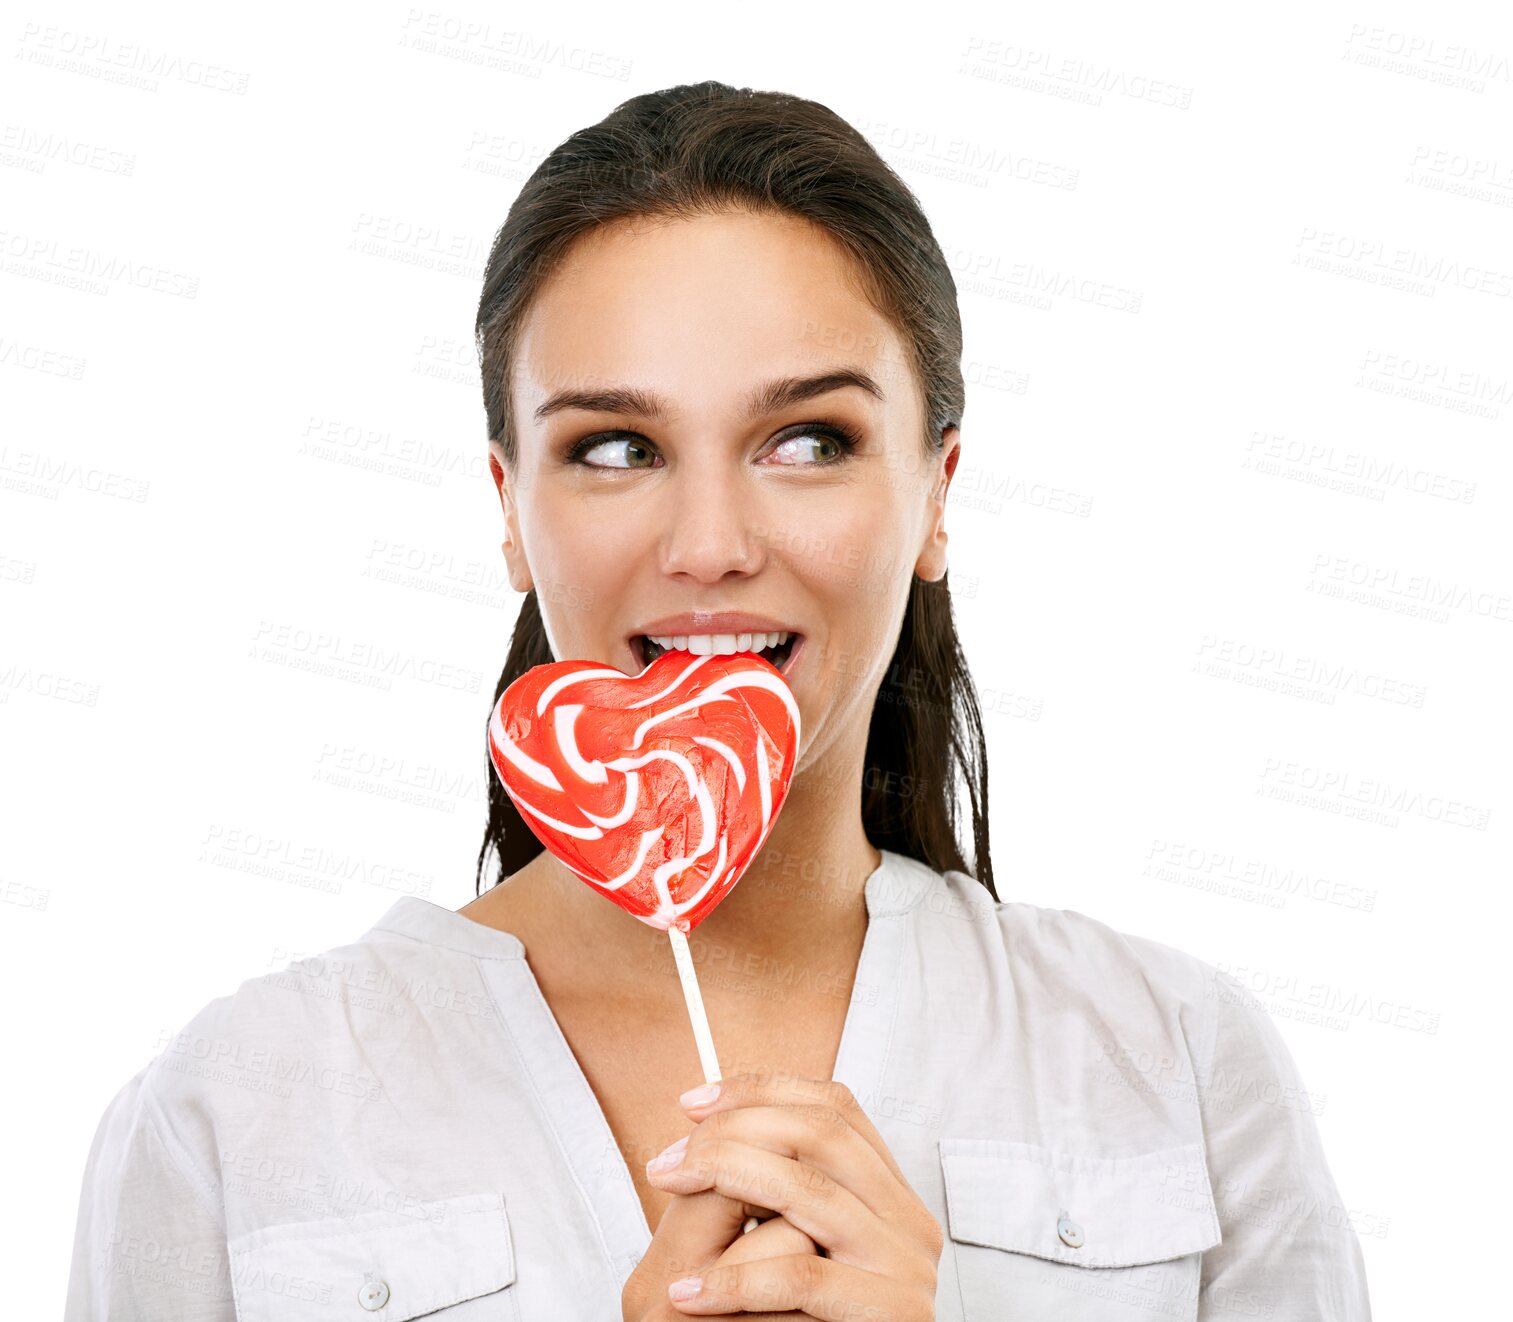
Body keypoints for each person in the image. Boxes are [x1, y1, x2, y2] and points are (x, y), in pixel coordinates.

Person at [65, 81, 1373, 1320]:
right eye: (614, 447)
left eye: (806, 439)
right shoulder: (235, 1109)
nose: (708, 544)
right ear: (511, 511)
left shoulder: (1179, 1060)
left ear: (936, 493)